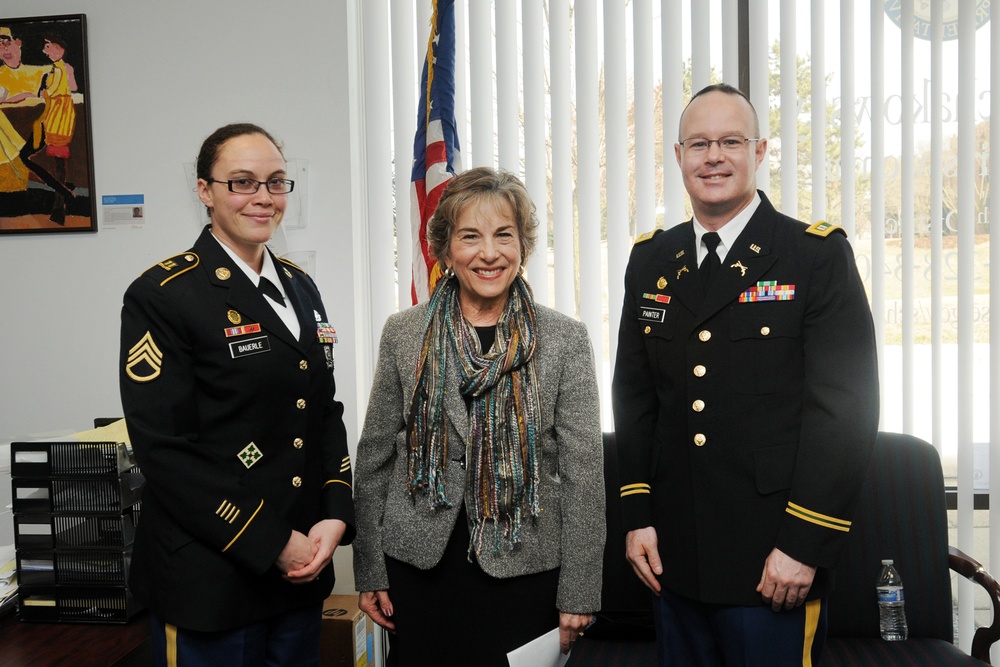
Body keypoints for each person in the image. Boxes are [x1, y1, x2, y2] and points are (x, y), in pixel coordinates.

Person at [612, 83, 879, 666]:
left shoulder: (813, 256)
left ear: (760, 152)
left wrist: (803, 545)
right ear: (678, 155)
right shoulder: (652, 259)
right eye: (699, 143)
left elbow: (845, 412)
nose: (714, 157)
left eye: (730, 141)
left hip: (773, 564)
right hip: (673, 561)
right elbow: (635, 399)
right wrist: (638, 518)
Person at [119, 123, 355, 667]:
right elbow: (166, 450)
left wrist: (335, 512)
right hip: (211, 579)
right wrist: (272, 540)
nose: (263, 197)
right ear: (205, 191)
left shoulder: (300, 286)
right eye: (242, 182)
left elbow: (322, 411)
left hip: (298, 572)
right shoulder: (164, 295)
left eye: (276, 182)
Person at [353, 166, 605, 666]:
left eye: (503, 236)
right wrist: (369, 570)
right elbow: (375, 454)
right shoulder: (404, 333)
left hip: (526, 566)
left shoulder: (564, 339)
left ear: (523, 246)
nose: (489, 253)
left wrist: (581, 589)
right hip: (419, 566)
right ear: (445, 250)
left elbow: (584, 474)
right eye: (470, 237)